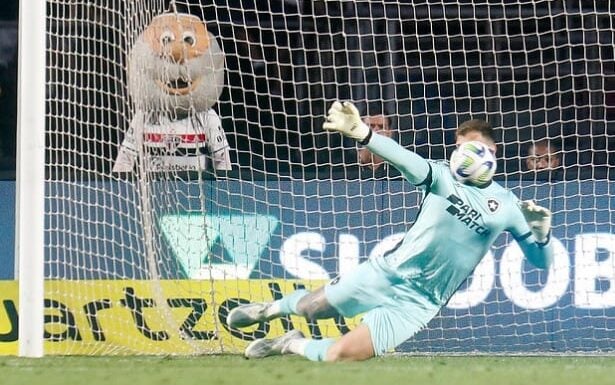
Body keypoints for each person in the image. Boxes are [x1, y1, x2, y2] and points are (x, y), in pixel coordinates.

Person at [227, 101, 554, 362]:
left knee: (341, 355)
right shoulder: (441, 175)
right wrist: (364, 135)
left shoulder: (509, 205)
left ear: (491, 154)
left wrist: (542, 237)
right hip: (388, 273)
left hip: (420, 302)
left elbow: (541, 264)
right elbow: (404, 159)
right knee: (313, 307)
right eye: (457, 147)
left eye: (470, 148)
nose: (460, 154)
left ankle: (290, 344)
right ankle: (269, 310)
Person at [353, 114, 400, 179]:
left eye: (381, 127)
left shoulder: (399, 166)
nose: (376, 131)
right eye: (371, 126)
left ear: (389, 133)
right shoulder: (344, 164)